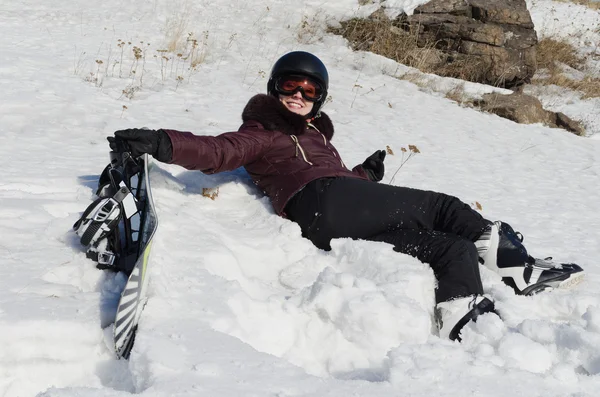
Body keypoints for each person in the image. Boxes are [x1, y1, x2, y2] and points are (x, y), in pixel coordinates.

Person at [108, 51, 584, 341]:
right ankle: (518, 267)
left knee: (451, 247)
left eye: (309, 90)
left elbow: (334, 180)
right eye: (289, 86)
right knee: (444, 208)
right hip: (320, 202)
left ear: (320, 98)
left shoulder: (317, 139)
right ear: (274, 91)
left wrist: (365, 174)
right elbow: (220, 151)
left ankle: (466, 322)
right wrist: (163, 142)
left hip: (331, 215)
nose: (298, 94)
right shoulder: (264, 130)